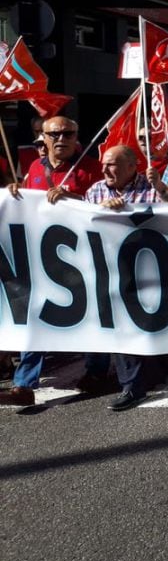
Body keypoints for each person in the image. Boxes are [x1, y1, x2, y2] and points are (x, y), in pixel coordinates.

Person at [0, 117, 108, 407]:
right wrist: (15, 193)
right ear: (43, 139)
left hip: (83, 259)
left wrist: (73, 198)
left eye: (68, 133)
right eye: (55, 134)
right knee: (37, 315)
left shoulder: (92, 169)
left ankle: (97, 371)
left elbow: (105, 209)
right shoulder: (35, 168)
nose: (62, 138)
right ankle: (24, 384)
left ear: (76, 136)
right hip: (43, 260)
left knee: (89, 317)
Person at [84, 145, 161, 411]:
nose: (105, 169)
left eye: (112, 164)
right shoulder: (95, 191)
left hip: (151, 269)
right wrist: (102, 210)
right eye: (103, 164)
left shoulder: (150, 188)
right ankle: (132, 386)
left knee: (150, 323)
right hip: (111, 271)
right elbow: (81, 224)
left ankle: (159, 368)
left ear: (132, 167)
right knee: (121, 323)